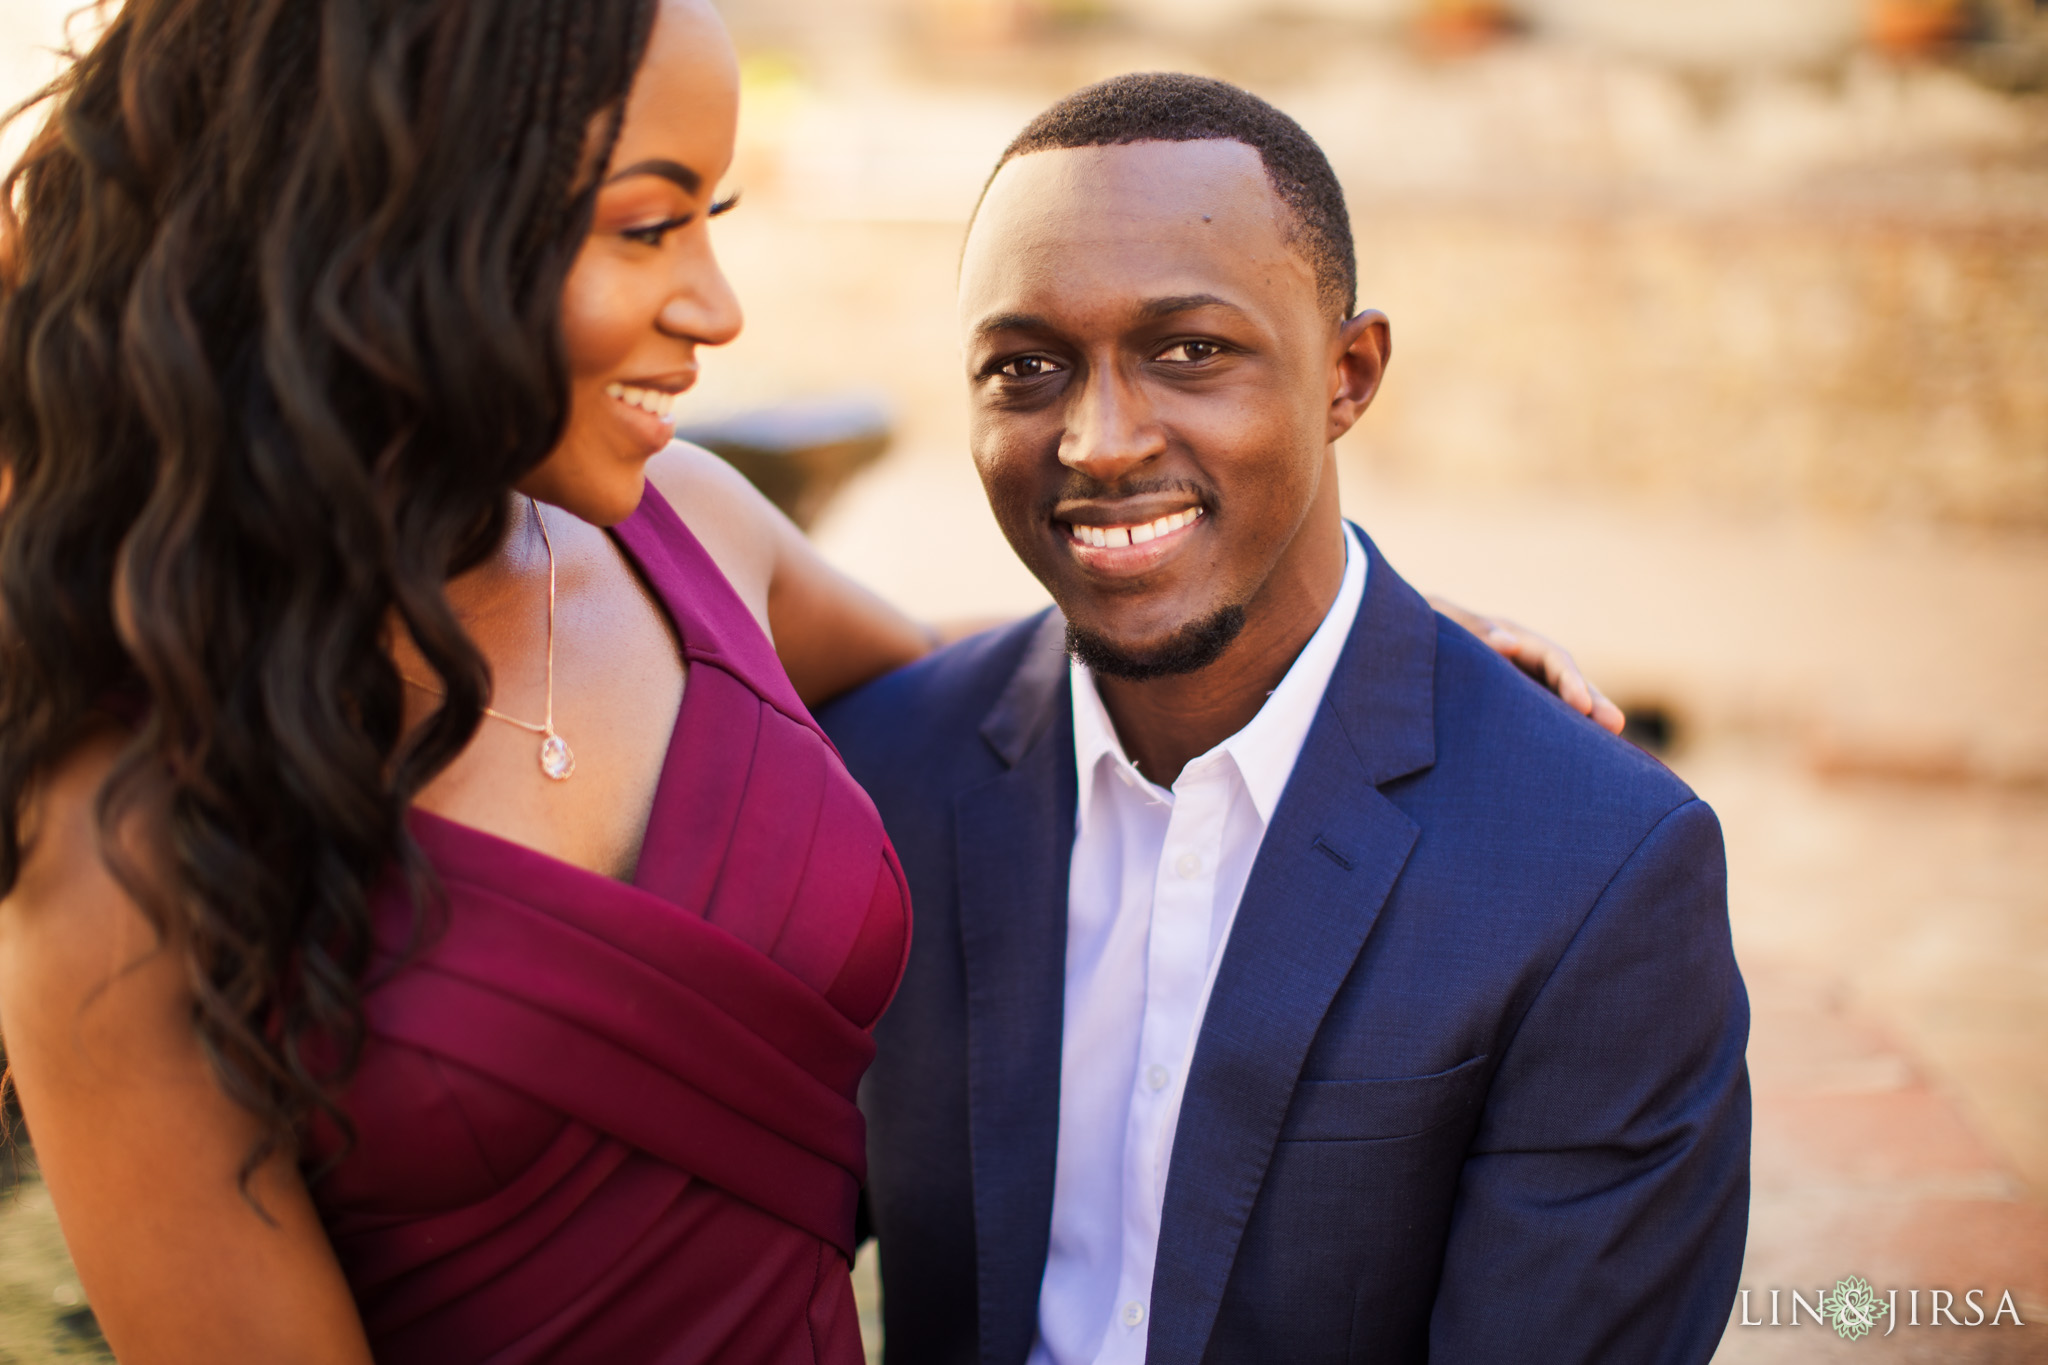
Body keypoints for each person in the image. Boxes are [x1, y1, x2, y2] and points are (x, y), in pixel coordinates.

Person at [0, 4, 1615, 1360]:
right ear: (383, 225)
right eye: (650, 223)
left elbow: (1014, 711)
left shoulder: (693, 536)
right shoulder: (115, 853)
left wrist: (1351, 648)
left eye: (718, 218)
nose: (717, 305)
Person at [821, 74, 1749, 1365]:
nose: (1096, 439)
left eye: (1189, 350)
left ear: (1347, 373)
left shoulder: (1598, 869)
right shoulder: (876, 784)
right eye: (1026, 366)